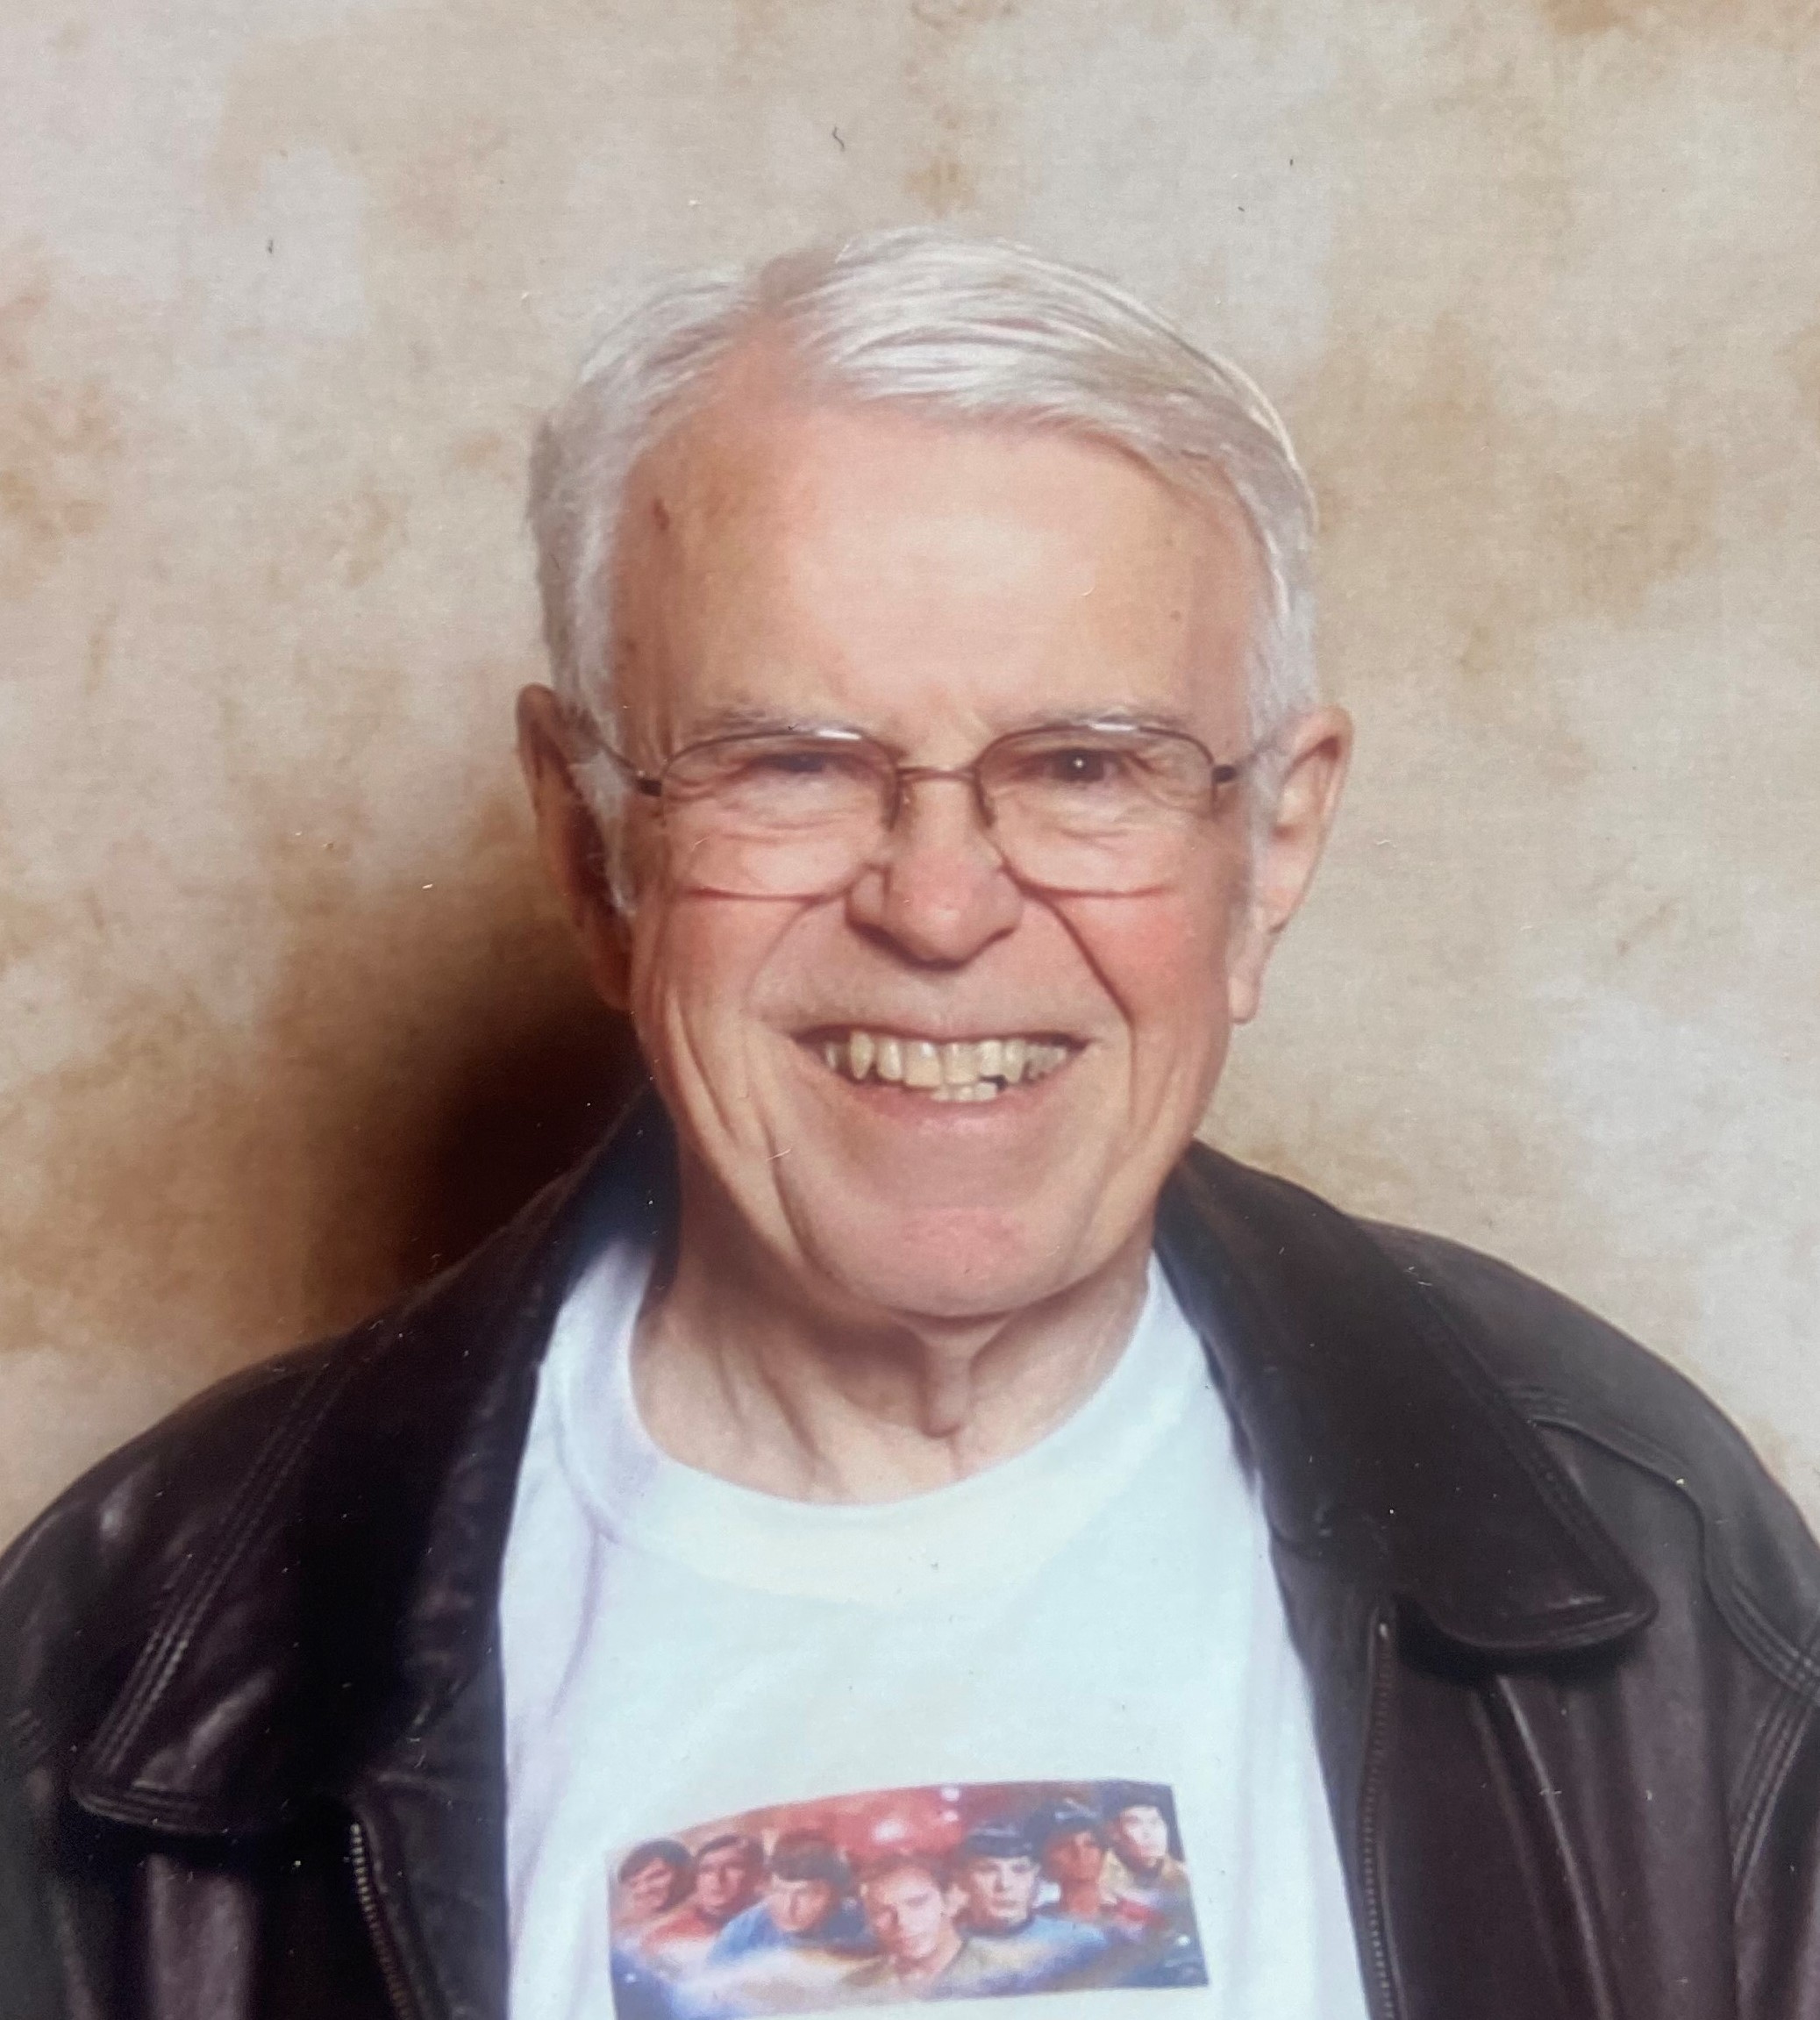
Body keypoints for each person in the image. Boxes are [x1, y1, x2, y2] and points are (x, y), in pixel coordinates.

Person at [2, 226, 1818, 2020]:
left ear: (1271, 846)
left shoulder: (1653, 1562)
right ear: (589, 843)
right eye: (788, 762)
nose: (940, 907)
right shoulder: (112, 1656)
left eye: (1084, 766)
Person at [949, 1818, 1110, 1988]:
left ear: (1036, 1878)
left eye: (1019, 1870)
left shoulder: (1080, 1943)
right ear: (962, 1880)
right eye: (988, 1870)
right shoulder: (947, 1951)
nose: (1004, 1884)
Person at [707, 1834, 868, 1960]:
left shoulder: (865, 1923)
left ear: (835, 1894)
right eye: (779, 1891)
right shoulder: (743, 1932)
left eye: (805, 1893)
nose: (789, 1907)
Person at [640, 1836, 765, 1969]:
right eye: (707, 1870)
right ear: (696, 1879)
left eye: (732, 1866)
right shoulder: (663, 1938)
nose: (717, 1878)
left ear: (758, 1874)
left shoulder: (771, 1918)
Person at [617, 1839, 698, 1932]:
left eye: (656, 1876)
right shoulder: (631, 1927)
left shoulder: (703, 1916)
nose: (643, 1889)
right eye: (634, 1884)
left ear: (685, 1871)